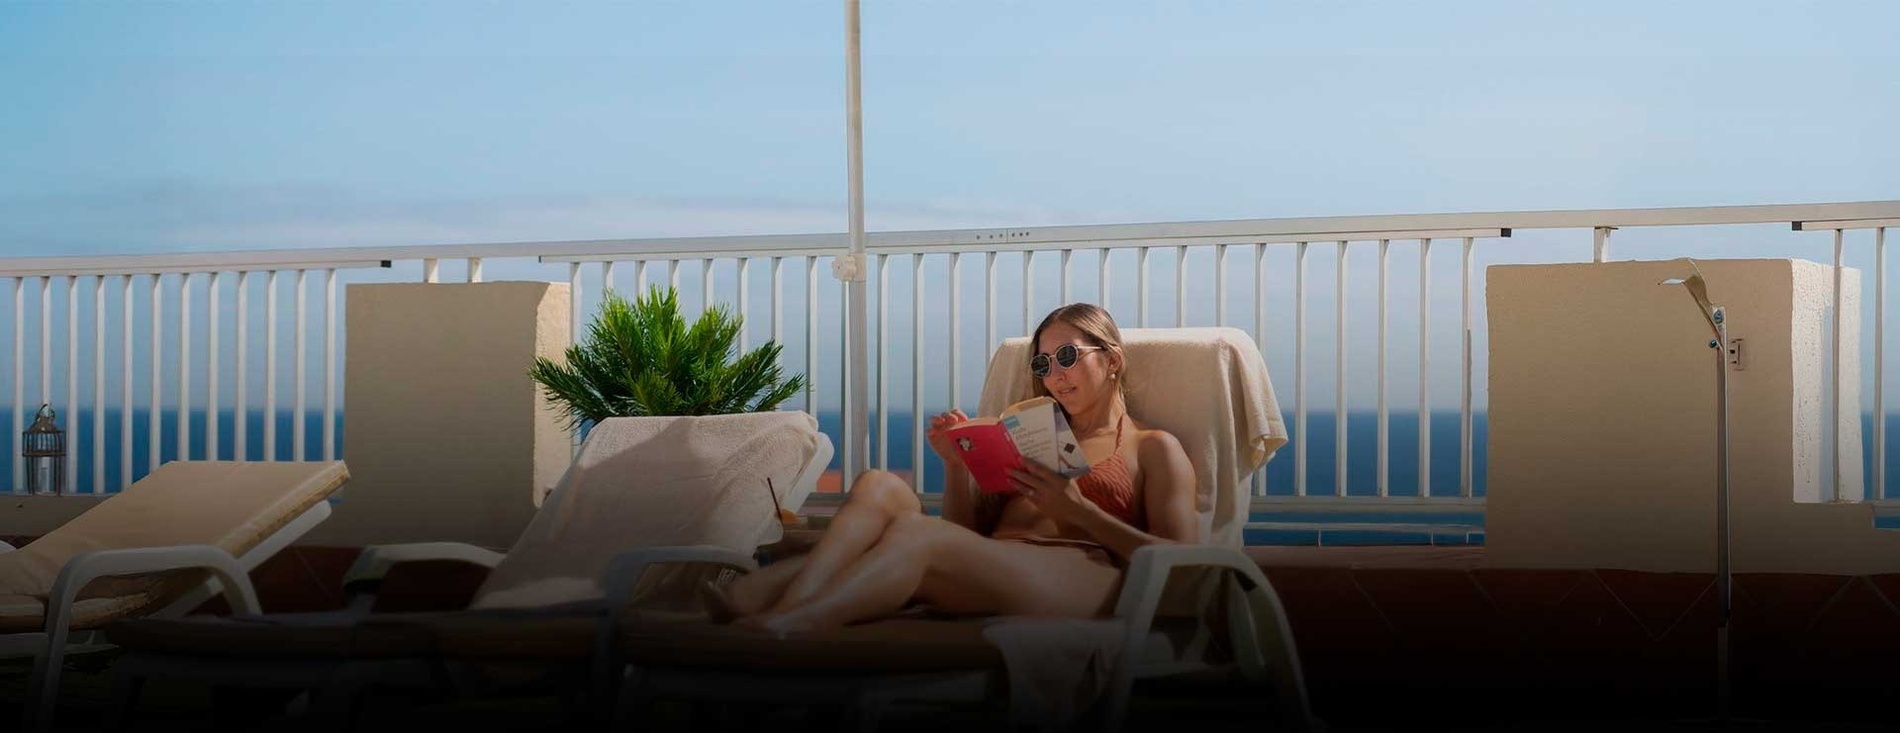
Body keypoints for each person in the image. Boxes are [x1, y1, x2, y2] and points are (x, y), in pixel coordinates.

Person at [704, 303, 1199, 637]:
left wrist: (1082, 513)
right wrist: (955, 466)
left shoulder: (1153, 447)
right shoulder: (1030, 433)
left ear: (1111, 360)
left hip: (1083, 573)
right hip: (996, 562)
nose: (1055, 374)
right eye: (1044, 364)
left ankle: (789, 624)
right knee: (880, 486)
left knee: (915, 536)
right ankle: (775, 607)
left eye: (1068, 356)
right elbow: (961, 536)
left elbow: (1185, 565)